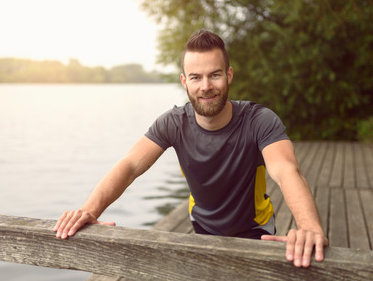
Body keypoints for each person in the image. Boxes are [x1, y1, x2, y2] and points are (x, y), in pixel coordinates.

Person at [53, 29, 329, 268]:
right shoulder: (173, 123)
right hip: (202, 228)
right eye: (196, 77)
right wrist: (89, 210)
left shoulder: (259, 120)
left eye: (215, 75)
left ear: (229, 75)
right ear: (185, 81)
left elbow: (286, 171)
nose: (206, 86)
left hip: (254, 232)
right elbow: (130, 166)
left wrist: (309, 228)